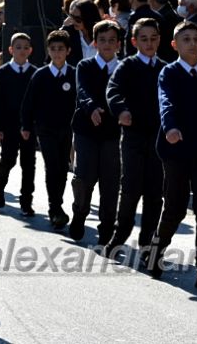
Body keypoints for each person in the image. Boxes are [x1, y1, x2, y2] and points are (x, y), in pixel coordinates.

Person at [147, 21, 197, 293]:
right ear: (174, 44)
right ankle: (156, 251)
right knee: (176, 208)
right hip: (175, 150)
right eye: (186, 39)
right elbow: (165, 101)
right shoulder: (169, 73)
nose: (192, 43)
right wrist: (171, 127)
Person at [105, 18, 166, 258]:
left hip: (159, 138)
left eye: (153, 39)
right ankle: (119, 236)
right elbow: (113, 90)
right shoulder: (127, 66)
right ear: (134, 41)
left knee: (154, 191)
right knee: (130, 188)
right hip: (133, 135)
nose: (149, 43)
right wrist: (121, 110)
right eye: (144, 39)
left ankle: (148, 240)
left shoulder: (164, 68)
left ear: (159, 40)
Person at [69, 20, 122, 244]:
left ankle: (107, 225)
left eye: (111, 40)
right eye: (102, 40)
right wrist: (91, 107)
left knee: (110, 181)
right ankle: (80, 213)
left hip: (112, 131)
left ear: (118, 44)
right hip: (86, 129)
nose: (107, 44)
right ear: (95, 42)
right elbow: (82, 90)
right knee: (84, 176)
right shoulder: (85, 66)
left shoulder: (123, 68)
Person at [21, 30, 76, 228]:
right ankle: (55, 208)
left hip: (67, 129)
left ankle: (58, 202)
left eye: (61, 49)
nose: (57, 53)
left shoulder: (73, 74)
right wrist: (27, 125)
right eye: (53, 49)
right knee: (52, 166)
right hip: (45, 129)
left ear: (68, 50)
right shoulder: (41, 75)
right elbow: (29, 103)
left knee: (63, 167)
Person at [0, 33, 37, 215]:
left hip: (28, 127)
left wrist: (33, 125)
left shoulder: (34, 73)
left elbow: (38, 102)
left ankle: (26, 201)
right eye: (18, 47)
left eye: (25, 47)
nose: (22, 51)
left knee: (28, 164)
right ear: (10, 50)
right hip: (8, 125)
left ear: (30, 50)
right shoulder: (3, 72)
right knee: (8, 159)